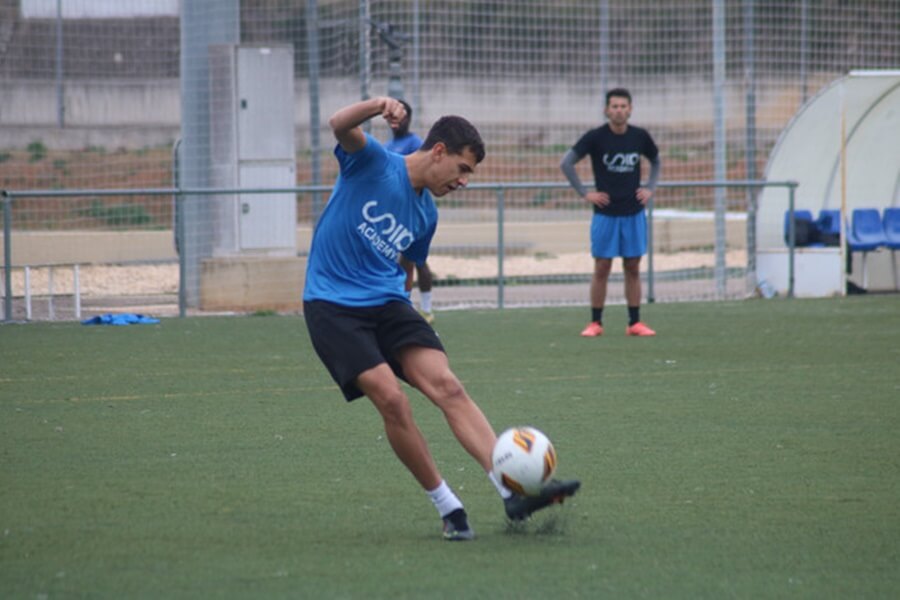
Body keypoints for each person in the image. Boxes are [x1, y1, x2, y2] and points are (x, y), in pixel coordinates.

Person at [303, 97, 580, 541]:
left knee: (447, 385)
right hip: (332, 304)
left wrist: (406, 305)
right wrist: (379, 105)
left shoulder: (426, 214)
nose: (464, 181)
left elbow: (408, 265)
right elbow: (338, 124)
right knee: (393, 399)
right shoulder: (375, 163)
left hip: (388, 303)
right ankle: (447, 506)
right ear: (438, 152)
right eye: (463, 168)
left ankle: (512, 493)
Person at [560, 88, 661, 337]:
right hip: (605, 213)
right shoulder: (596, 137)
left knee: (633, 267)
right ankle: (596, 322)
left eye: (623, 106)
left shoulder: (640, 136)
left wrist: (649, 188)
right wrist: (585, 192)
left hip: (633, 212)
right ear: (607, 110)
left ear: (630, 109)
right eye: (614, 106)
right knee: (602, 266)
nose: (619, 110)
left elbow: (656, 160)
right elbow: (567, 162)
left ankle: (634, 322)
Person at [384, 98, 436, 324]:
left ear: (408, 119)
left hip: (412, 213)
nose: (397, 121)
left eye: (402, 116)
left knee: (418, 261)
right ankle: (401, 304)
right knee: (399, 259)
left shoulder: (416, 143)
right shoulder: (388, 146)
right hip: (393, 212)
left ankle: (426, 308)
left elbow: (421, 178)